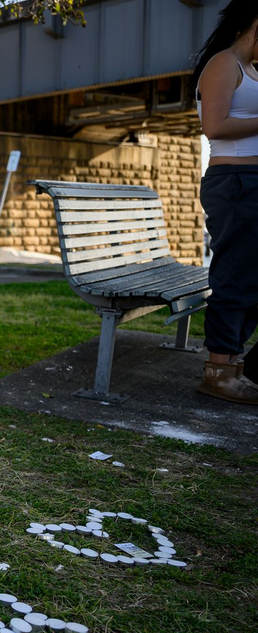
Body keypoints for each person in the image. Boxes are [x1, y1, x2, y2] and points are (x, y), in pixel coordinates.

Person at [193, 0, 258, 404]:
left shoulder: (251, 69)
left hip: (251, 179)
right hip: (234, 181)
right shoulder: (223, 64)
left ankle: (235, 366)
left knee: (252, 278)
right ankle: (218, 372)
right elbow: (213, 125)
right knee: (235, 275)